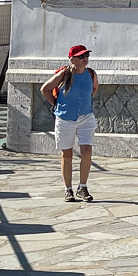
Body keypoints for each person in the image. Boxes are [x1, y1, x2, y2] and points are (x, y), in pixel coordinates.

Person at [41, 44, 98, 202]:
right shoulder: (64, 74)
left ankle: (83, 187)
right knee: (67, 154)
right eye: (81, 56)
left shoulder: (91, 74)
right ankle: (68, 189)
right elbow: (45, 89)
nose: (85, 59)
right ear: (72, 59)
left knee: (87, 152)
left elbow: (94, 89)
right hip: (65, 119)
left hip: (86, 117)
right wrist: (57, 104)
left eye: (86, 55)